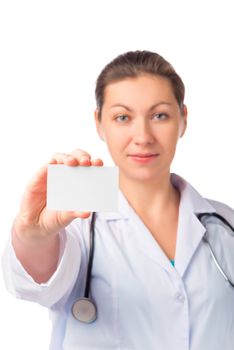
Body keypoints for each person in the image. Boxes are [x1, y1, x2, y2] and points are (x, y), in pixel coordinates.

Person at [2, 50, 234, 350]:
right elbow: (33, 283)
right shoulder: (75, 224)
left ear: (183, 120)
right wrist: (32, 234)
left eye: (159, 115)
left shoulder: (225, 223)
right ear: (99, 123)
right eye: (123, 117)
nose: (143, 135)